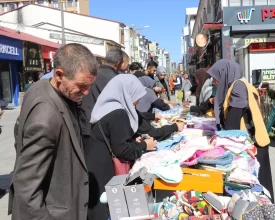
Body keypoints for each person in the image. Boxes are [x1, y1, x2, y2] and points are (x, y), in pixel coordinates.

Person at [9, 43, 98, 220]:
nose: (87, 92)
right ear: (59, 75)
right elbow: (26, 186)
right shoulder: (46, 118)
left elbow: (19, 130)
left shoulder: (41, 87)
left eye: (89, 86)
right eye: (81, 86)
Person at [85, 74, 183, 220]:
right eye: (136, 96)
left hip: (95, 162)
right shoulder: (119, 114)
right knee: (103, 207)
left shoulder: (109, 107)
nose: (138, 101)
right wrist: (144, 145)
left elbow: (116, 137)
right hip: (104, 168)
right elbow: (122, 150)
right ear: (126, 92)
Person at [207, 59, 273, 202]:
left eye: (215, 76)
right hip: (250, 144)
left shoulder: (238, 87)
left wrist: (219, 141)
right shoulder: (237, 85)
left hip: (251, 146)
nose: (213, 81)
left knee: (256, 193)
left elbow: (233, 123)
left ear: (224, 74)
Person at [80, 48, 125, 148]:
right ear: (118, 63)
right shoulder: (115, 79)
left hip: (84, 123)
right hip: (101, 128)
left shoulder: (94, 74)